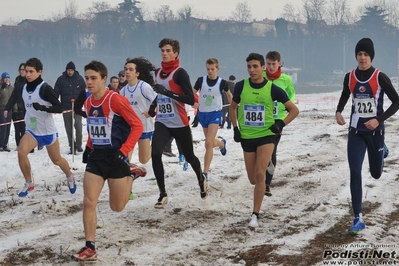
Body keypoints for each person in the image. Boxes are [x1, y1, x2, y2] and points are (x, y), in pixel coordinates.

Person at [73, 60, 144, 261]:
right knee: (88, 202)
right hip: (97, 158)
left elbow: (137, 126)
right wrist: (88, 146)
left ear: (104, 79)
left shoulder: (115, 100)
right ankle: (90, 247)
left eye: (93, 78)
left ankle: (131, 174)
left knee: (117, 207)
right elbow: (94, 127)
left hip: (116, 157)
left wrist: (124, 151)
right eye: (86, 78)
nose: (89, 82)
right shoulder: (88, 102)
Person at [335, 38, 399, 234]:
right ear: (356, 56)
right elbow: (346, 94)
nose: (362, 58)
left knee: (376, 174)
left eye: (366, 54)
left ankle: (382, 150)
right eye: (359, 54)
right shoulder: (350, 76)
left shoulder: (380, 77)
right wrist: (339, 111)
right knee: (355, 172)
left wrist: (379, 119)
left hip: (375, 132)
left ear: (371, 56)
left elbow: (396, 102)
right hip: (355, 132)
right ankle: (358, 218)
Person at [229, 53, 299, 230]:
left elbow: (294, 110)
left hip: (267, 135)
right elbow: (232, 108)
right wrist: (235, 128)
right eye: (249, 67)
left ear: (263, 68)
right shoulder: (240, 86)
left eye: (255, 66)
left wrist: (281, 123)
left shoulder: (272, 88)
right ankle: (266, 163)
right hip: (247, 136)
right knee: (253, 179)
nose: (252, 70)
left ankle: (255, 215)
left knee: (260, 175)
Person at [3, 57, 76, 197]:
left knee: (56, 160)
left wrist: (42, 108)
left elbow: (59, 108)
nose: (28, 74)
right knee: (21, 152)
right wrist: (7, 107)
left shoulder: (45, 88)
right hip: (32, 129)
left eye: (31, 71)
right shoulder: (22, 86)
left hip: (48, 131)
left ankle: (69, 175)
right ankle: (29, 183)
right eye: (26, 71)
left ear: (39, 72)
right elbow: (13, 97)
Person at [151, 37, 208, 208]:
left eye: (168, 51)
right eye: (162, 50)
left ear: (175, 53)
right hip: (162, 121)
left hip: (180, 122)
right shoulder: (157, 73)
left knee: (189, 156)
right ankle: (162, 194)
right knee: (155, 154)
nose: (165, 53)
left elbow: (190, 99)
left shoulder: (180, 73)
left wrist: (167, 92)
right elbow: (158, 94)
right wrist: (153, 105)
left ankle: (200, 179)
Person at [192, 58, 231, 181]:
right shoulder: (200, 80)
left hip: (215, 114)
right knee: (210, 143)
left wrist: (234, 108)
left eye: (212, 69)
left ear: (217, 69)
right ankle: (221, 143)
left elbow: (230, 95)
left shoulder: (222, 82)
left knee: (208, 143)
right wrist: (193, 102)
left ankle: (205, 172)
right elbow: (192, 93)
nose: (210, 71)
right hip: (202, 114)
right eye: (208, 69)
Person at [263, 51, 296, 197]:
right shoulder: (261, 76)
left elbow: (292, 94)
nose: (270, 67)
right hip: (263, 118)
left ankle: (267, 184)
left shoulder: (286, 79)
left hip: (279, 119)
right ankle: (260, 176)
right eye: (268, 64)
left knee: (271, 150)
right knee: (261, 149)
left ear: (279, 64)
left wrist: (286, 105)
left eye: (273, 64)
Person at [119, 57, 158, 164]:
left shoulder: (144, 87)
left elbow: (157, 100)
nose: (127, 72)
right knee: (125, 158)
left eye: (131, 70)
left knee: (143, 160)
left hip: (144, 127)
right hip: (130, 128)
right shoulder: (123, 91)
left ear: (137, 73)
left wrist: (151, 112)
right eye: (126, 69)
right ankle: (127, 172)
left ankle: (158, 144)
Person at [54, 61, 86, 154]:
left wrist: (85, 103)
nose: (70, 72)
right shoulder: (61, 80)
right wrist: (55, 104)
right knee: (69, 128)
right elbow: (56, 93)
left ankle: (79, 145)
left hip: (77, 107)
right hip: (66, 107)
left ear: (74, 70)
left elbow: (84, 92)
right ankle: (72, 145)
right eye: (68, 70)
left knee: (78, 126)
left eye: (71, 70)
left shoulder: (79, 79)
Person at [0, 72, 15, 152]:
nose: (7, 79)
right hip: (1, 109)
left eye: (8, 78)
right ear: (2, 79)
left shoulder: (11, 88)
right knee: (3, 127)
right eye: (5, 78)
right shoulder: (1, 87)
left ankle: (5, 144)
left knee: (8, 127)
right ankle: (1, 145)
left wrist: (14, 109)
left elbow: (14, 99)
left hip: (9, 110)